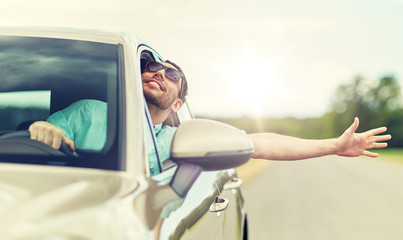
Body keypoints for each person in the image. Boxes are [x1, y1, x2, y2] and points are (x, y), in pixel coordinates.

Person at [29, 60, 391, 168]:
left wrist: (333, 145)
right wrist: (44, 132)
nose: (159, 72)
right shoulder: (89, 112)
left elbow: (259, 142)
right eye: (153, 66)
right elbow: (46, 130)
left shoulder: (177, 140)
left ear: (176, 106)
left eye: (172, 75)